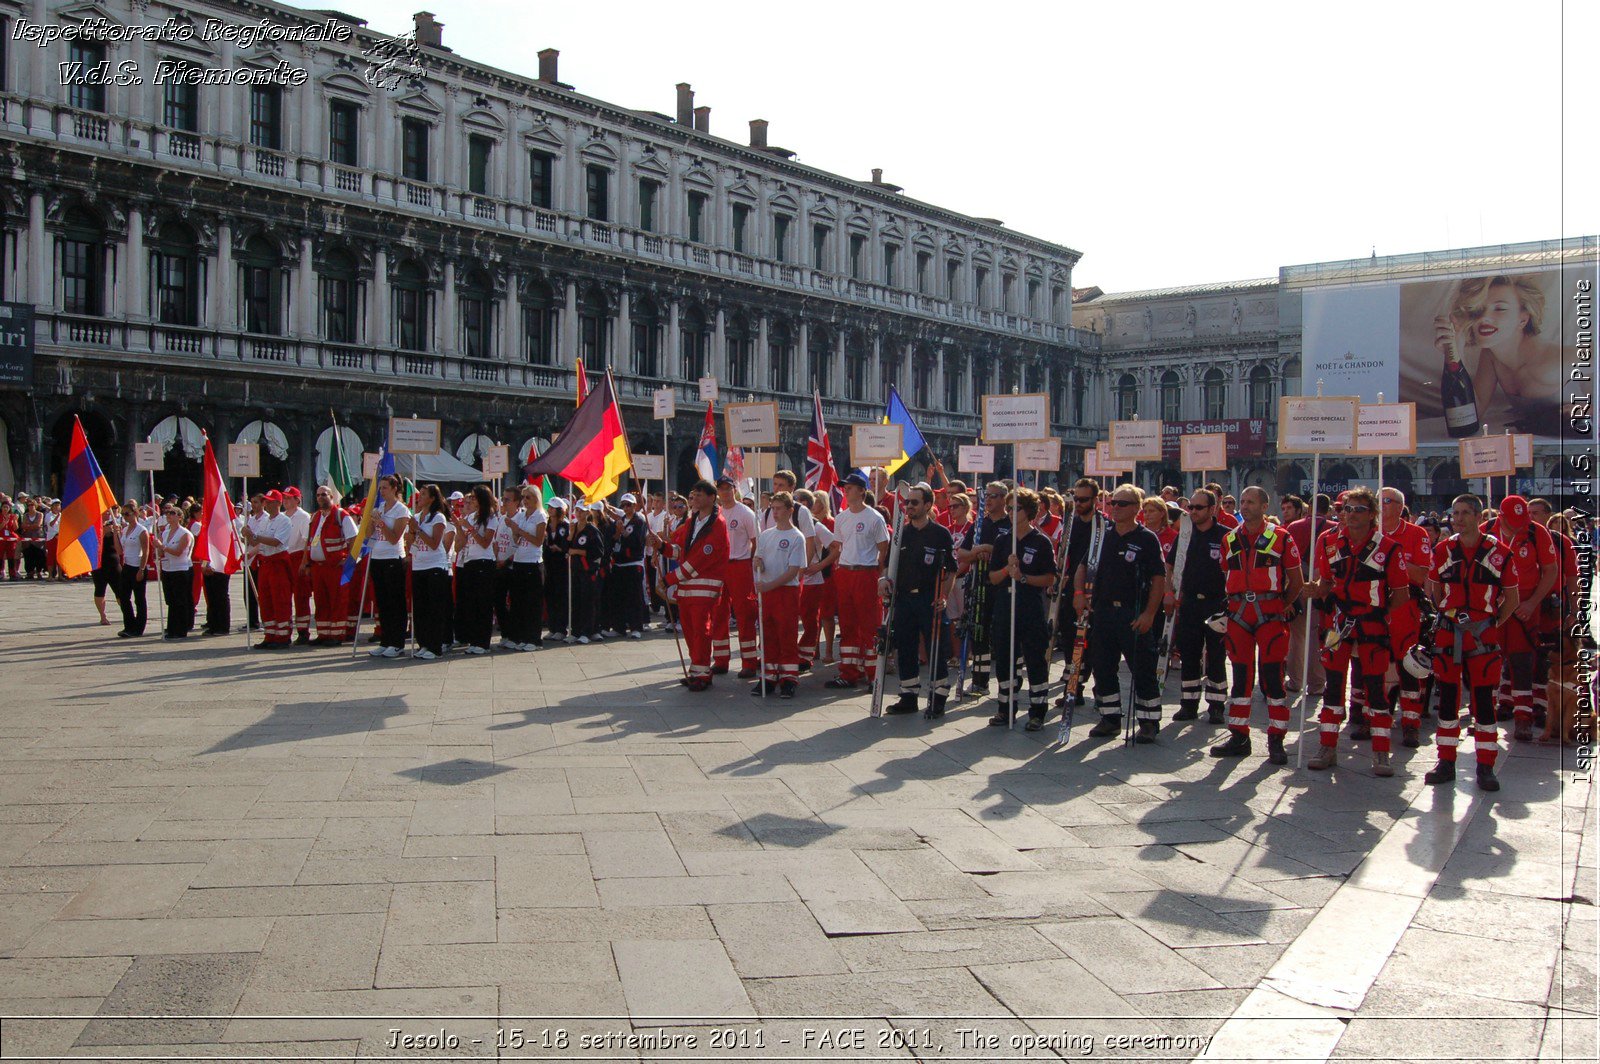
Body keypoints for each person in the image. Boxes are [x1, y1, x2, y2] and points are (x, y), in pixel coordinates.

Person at [1305, 486, 1409, 774]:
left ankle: (1381, 752)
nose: (1350, 514)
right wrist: (1315, 590)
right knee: (1334, 687)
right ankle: (1327, 746)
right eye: (1346, 509)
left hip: (1372, 624)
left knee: (1375, 689)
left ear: (1373, 514)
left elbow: (1401, 594)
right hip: (1338, 622)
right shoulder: (1328, 541)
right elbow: (1326, 581)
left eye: (1358, 509)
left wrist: (1379, 614)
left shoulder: (1388, 548)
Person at [1424, 495, 1519, 791]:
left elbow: (1512, 600)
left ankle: (1486, 766)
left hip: (1483, 637)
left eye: (1465, 513)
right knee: (1448, 700)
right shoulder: (1442, 550)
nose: (1459, 518)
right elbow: (1434, 592)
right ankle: (1446, 761)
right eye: (1455, 513)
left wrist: (1488, 624)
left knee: (1484, 704)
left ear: (1479, 516)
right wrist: (1449, 618)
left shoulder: (1499, 553)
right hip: (1448, 634)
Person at [1212, 487, 1304, 764]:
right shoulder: (1229, 539)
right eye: (1242, 501)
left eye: (1251, 502)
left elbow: (1296, 581)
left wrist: (1282, 604)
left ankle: (1276, 739)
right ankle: (1239, 736)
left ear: (1265, 506)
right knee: (1240, 677)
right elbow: (1227, 574)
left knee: (1272, 678)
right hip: (1239, 613)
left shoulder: (1282, 538)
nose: (1245, 506)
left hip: (1270, 613)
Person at [1077, 485, 1166, 742]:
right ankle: (1109, 717)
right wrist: (1079, 595)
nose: (1115, 507)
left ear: (1136, 508)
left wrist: (1150, 613)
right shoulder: (1102, 536)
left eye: (1123, 504)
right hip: (1103, 612)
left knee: (1143, 669)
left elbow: (1159, 578)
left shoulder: (1147, 539)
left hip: (1133, 613)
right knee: (1103, 667)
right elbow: (1083, 567)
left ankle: (1149, 721)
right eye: (1114, 502)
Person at [1435, 274, 1563, 433]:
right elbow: (1473, 413)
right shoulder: (1491, 355)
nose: (1484, 317)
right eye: (1478, 309)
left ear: (1523, 319)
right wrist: (1457, 348)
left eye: (1500, 308)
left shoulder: (1551, 360)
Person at [875, 484, 958, 718]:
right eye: (907, 503)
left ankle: (939, 695)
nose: (909, 506)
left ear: (928, 505)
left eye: (914, 502)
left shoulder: (940, 533)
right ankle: (909, 695)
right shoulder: (901, 533)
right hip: (903, 599)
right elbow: (887, 565)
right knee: (906, 647)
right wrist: (883, 580)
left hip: (928, 599)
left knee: (934, 648)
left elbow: (951, 570)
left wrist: (943, 596)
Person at [1485, 495, 1558, 742]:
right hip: (1491, 607)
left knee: (1522, 661)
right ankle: (1485, 716)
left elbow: (1550, 571)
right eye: (1513, 521)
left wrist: (1532, 602)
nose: (1519, 525)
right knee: (1486, 662)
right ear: (1500, 516)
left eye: (1522, 519)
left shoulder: (1537, 532)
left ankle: (1523, 718)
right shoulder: (1485, 531)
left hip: (1524, 608)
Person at [812, 471, 890, 690]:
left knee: (869, 624)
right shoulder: (842, 517)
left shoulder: (874, 517)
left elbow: (883, 548)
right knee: (847, 624)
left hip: (866, 573)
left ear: (862, 491)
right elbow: (838, 546)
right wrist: (822, 565)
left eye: (850, 487)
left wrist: (880, 575)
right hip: (845, 573)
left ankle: (874, 675)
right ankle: (848, 672)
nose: (845, 490)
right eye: (845, 487)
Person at [987, 488, 1056, 729]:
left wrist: (1023, 577)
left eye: (1015, 508)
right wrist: (1008, 570)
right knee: (1006, 658)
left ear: (1028, 511)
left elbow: (1050, 578)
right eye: (1008, 508)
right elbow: (993, 577)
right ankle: (1006, 708)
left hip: (1029, 604)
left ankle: (1037, 710)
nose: (1010, 513)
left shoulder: (1040, 541)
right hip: (1006, 603)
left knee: (1035, 657)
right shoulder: (1003, 540)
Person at [1167, 489, 1230, 725]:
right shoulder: (1184, 536)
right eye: (1190, 507)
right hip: (1190, 601)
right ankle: (1189, 703)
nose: (1192, 512)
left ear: (1212, 509)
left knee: (1216, 654)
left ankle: (1216, 706)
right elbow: (1170, 566)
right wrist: (1169, 592)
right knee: (1190, 653)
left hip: (1217, 603)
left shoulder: (1225, 536)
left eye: (1198, 508)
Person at [661, 479, 730, 690]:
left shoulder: (718, 524)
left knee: (701, 629)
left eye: (699, 494)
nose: (695, 498)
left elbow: (699, 560)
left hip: (704, 585)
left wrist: (669, 579)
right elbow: (681, 551)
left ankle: (703, 673)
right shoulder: (691, 522)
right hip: (688, 586)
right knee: (690, 629)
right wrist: (662, 546)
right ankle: (697, 669)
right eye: (694, 494)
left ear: (711, 498)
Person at [1379, 487, 1433, 748]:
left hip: (1406, 608)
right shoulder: (1369, 533)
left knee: (1408, 666)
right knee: (1376, 664)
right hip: (1376, 607)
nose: (1381, 506)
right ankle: (1377, 717)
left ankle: (1411, 723)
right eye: (1378, 501)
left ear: (1400, 507)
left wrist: (1391, 556)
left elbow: (1421, 574)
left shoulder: (1415, 534)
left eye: (1386, 501)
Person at [955, 481, 1011, 695]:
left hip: (1003, 585)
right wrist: (978, 551)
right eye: (986, 495)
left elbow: (1011, 553)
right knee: (979, 633)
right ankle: (979, 681)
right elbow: (962, 554)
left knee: (1001, 634)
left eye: (994, 496)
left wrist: (991, 549)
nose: (988, 499)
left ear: (1004, 499)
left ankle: (1007, 683)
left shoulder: (1010, 524)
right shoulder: (980, 524)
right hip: (980, 584)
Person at [751, 491, 807, 698]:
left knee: (786, 634)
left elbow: (793, 571)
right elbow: (760, 559)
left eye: (779, 509)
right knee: (768, 634)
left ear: (790, 510)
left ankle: (789, 678)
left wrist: (769, 586)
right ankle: (768, 675)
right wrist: (758, 563)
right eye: (772, 509)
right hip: (768, 592)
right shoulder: (766, 535)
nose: (774, 512)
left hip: (785, 592)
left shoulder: (796, 537)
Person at [1054, 478, 1103, 709]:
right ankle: (1073, 687)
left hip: (1093, 592)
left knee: (1091, 646)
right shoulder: (1070, 524)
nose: (1079, 503)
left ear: (1095, 500)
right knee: (1070, 641)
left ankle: (1096, 689)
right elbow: (1063, 554)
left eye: (1084, 499)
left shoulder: (1102, 527)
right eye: (1076, 499)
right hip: (1070, 591)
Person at [712, 475, 760, 677]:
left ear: (734, 489)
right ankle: (721, 660)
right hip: (720, 567)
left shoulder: (745, 512)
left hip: (740, 565)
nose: (725, 492)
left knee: (745, 614)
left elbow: (756, 541)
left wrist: (750, 563)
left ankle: (749, 661)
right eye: (721, 489)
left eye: (728, 488)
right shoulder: (715, 513)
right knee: (718, 614)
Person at [1284, 493, 1330, 698]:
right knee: (1317, 635)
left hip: (1297, 583)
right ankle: (1317, 683)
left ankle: (1295, 680)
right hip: (1322, 584)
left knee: (1297, 635)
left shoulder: (1294, 527)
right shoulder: (1332, 527)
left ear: (1309, 507)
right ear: (1327, 509)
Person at [366, 475, 411, 659]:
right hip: (377, 556)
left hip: (393, 557)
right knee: (382, 602)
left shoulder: (401, 510)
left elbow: (394, 538)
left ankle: (397, 642)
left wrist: (381, 523)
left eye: (385, 488)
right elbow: (369, 534)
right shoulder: (380, 508)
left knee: (395, 602)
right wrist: (371, 519)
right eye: (381, 488)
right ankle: (385, 640)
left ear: (394, 488)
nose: (382, 491)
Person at [304, 485, 356, 644]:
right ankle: (324, 634)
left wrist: (348, 560)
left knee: (337, 601)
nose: (320, 497)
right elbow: (310, 541)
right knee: (321, 602)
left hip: (335, 567)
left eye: (324, 495)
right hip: (318, 567)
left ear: (332, 497)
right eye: (318, 495)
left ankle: (337, 635)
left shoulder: (341, 515)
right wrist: (306, 563)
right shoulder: (315, 517)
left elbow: (353, 539)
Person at [452, 485, 500, 655]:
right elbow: (461, 543)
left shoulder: (491, 518)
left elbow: (486, 542)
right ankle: (474, 639)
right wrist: (460, 527)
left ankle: (483, 642)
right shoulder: (471, 516)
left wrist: (470, 529)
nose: (471, 500)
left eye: (474, 497)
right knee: (471, 603)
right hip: (470, 561)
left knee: (483, 604)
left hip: (484, 562)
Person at [408, 484, 454, 660]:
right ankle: (424, 643)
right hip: (419, 565)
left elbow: (435, 543)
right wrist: (412, 530)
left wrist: (418, 530)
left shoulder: (438, 518)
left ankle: (435, 646)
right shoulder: (418, 516)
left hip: (435, 565)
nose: (420, 496)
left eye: (424, 494)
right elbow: (411, 541)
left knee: (435, 609)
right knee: (420, 609)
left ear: (432, 498)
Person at [243, 490, 294, 648]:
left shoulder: (283, 520)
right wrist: (247, 535)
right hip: (264, 562)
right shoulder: (265, 521)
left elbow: (276, 542)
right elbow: (257, 541)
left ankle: (283, 636)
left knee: (280, 599)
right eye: (266, 501)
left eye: (271, 501)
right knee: (265, 600)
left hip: (277, 563)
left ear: (279, 503)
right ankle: (270, 634)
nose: (268, 504)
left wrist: (254, 536)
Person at [504, 485, 547, 651]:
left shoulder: (540, 516)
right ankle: (522, 636)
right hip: (520, 561)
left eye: (528, 497)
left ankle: (534, 639)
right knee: (519, 602)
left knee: (532, 603)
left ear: (536, 498)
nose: (525, 501)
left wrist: (518, 531)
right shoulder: (522, 516)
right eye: (523, 497)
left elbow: (538, 541)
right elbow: (516, 540)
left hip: (533, 562)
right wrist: (515, 532)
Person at [606, 494, 649, 640]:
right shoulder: (621, 520)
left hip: (633, 563)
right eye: (623, 505)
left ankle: (636, 627)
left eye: (628, 505)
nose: (626, 508)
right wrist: (618, 532)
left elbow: (636, 541)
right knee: (618, 597)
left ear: (635, 506)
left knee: (634, 597)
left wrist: (623, 532)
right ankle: (619, 627)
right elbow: (612, 539)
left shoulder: (639, 520)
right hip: (619, 564)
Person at [153, 503, 195, 639]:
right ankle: (171, 627)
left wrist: (163, 547)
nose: (169, 516)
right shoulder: (165, 532)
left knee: (180, 600)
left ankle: (181, 628)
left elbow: (178, 552)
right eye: (168, 514)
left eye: (172, 514)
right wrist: (158, 549)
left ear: (180, 517)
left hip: (180, 569)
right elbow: (162, 551)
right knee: (170, 600)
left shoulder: (185, 534)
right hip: (168, 568)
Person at [566, 503, 606, 643]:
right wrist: (571, 535)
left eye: (582, 511)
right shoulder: (573, 527)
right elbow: (567, 548)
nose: (579, 514)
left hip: (588, 570)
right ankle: (575, 631)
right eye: (577, 510)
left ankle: (587, 631)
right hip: (575, 570)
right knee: (576, 601)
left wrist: (578, 551)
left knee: (588, 601)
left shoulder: (592, 530)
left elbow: (598, 552)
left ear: (588, 513)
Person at [808, 490, 839, 662]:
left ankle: (828, 650)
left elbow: (835, 547)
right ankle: (814, 648)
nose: (814, 503)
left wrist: (822, 565)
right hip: (812, 572)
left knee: (826, 613)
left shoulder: (829, 522)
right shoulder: (807, 521)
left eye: (816, 500)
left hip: (827, 572)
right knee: (814, 613)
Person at [113, 500, 150, 637]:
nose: (124, 517)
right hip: (127, 566)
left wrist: (141, 569)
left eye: (127, 514)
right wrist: (116, 535)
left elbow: (145, 551)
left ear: (135, 513)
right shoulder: (124, 529)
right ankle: (129, 625)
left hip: (138, 566)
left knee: (139, 598)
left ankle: (139, 628)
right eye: (123, 514)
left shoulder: (142, 530)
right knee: (123, 597)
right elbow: (119, 550)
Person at [281, 487, 313, 644]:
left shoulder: (303, 517)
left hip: (298, 556)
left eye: (289, 498)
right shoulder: (282, 516)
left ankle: (303, 631)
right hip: (285, 557)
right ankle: (285, 630)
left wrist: (304, 562)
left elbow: (307, 540)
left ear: (297, 500)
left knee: (301, 596)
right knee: (284, 596)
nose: (285, 501)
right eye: (284, 498)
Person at [544, 498, 571, 638]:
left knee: (561, 597)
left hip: (562, 565)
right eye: (549, 507)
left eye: (553, 507)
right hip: (549, 565)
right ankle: (552, 627)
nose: (550, 509)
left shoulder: (566, 526)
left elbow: (568, 545)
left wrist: (560, 548)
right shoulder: (546, 525)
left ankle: (561, 628)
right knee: (550, 596)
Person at [91, 506, 120, 625]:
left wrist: (115, 532)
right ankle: (102, 616)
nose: (109, 514)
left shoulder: (113, 526)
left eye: (110, 512)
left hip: (113, 562)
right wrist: (103, 532)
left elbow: (119, 546)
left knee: (120, 589)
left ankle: (126, 613)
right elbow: (93, 545)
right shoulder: (94, 527)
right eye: (106, 512)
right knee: (100, 589)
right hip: (99, 564)